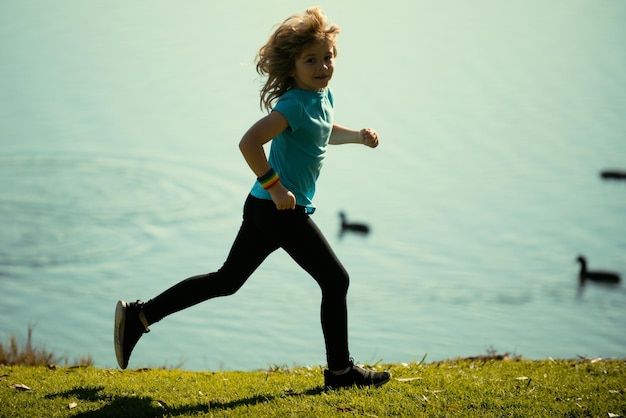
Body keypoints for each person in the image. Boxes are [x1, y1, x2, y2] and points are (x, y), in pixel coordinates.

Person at [114, 6, 391, 389]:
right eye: (311, 60)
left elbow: (322, 131)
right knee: (336, 280)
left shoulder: (320, 97)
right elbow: (249, 142)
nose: (322, 66)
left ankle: (140, 316)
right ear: (292, 67)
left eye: (327, 57)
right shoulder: (293, 103)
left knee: (226, 280)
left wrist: (358, 136)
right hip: (278, 209)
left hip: (266, 207)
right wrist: (276, 185)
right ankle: (340, 372)